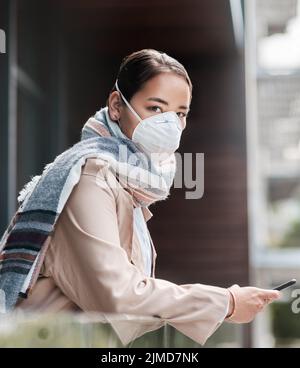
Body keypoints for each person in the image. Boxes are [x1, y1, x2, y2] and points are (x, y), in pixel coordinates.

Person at [0, 48, 280, 346]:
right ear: (117, 105)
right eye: (156, 108)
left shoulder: (125, 184)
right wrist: (227, 302)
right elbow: (118, 297)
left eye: (180, 113)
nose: (170, 125)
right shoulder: (90, 180)